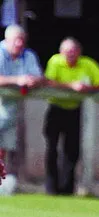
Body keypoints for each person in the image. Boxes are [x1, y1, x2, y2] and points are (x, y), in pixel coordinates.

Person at [43, 37, 99, 195]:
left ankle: (67, 189)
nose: (70, 55)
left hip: (75, 110)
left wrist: (88, 88)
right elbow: (49, 82)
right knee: (51, 148)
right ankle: (51, 189)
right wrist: (72, 86)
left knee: (71, 151)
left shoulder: (88, 63)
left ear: (79, 52)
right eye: (67, 52)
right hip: (56, 108)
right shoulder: (55, 61)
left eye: (73, 52)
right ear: (61, 52)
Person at [0, 24, 43, 196]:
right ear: (6, 40)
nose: (19, 43)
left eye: (22, 40)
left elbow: (39, 77)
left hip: (11, 111)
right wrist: (17, 80)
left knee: (6, 148)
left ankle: (5, 183)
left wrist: (33, 81)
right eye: (16, 40)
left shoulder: (28, 55)